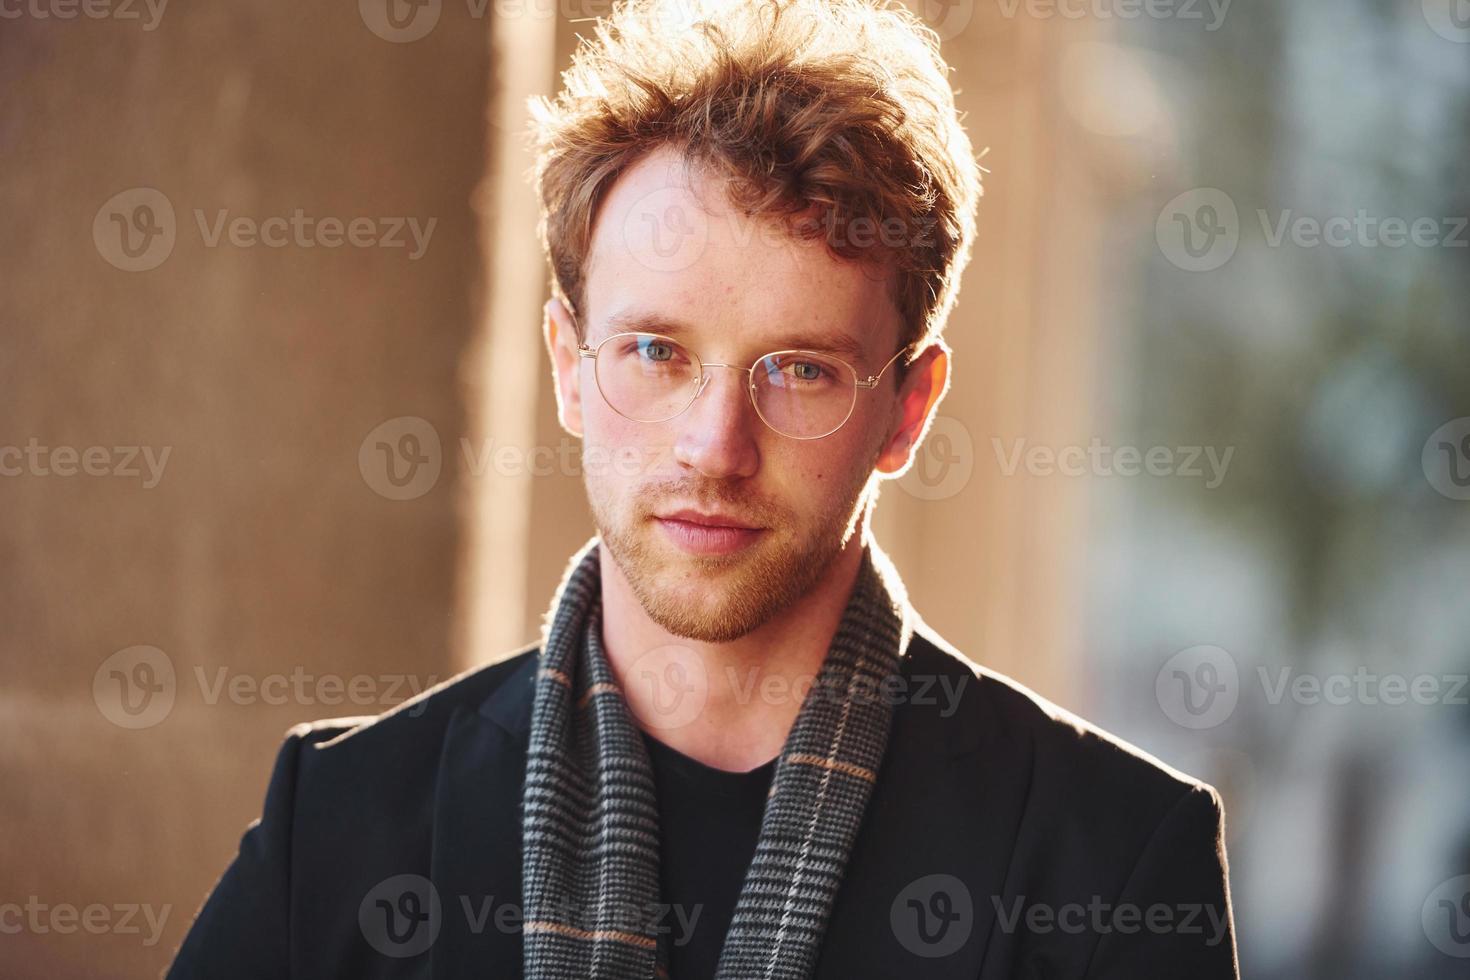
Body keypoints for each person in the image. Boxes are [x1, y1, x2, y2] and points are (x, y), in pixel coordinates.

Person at [169, 0, 1238, 976]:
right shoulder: (342, 825)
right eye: (656, 352)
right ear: (567, 365)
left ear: (907, 409)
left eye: (800, 368)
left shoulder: (1114, 863)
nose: (715, 446)